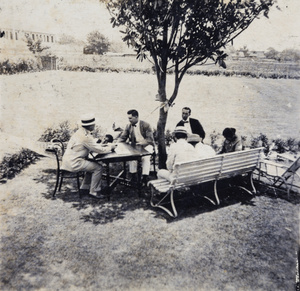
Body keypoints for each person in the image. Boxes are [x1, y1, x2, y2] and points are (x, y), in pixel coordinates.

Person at [61, 113, 116, 198]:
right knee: (98, 168)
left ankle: (84, 188)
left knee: (91, 165)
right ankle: (94, 192)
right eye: (93, 124)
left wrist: (99, 144)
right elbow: (98, 150)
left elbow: (91, 144)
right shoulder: (85, 136)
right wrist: (110, 147)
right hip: (74, 162)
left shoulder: (80, 132)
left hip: (68, 161)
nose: (94, 125)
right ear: (90, 125)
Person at [118, 109, 155, 184]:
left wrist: (141, 144)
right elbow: (123, 137)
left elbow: (149, 139)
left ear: (136, 117)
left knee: (146, 157)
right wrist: (116, 144)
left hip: (147, 145)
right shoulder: (128, 126)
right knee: (132, 157)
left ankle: (145, 177)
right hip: (135, 146)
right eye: (128, 118)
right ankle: (133, 176)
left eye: (130, 118)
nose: (129, 120)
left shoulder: (146, 125)